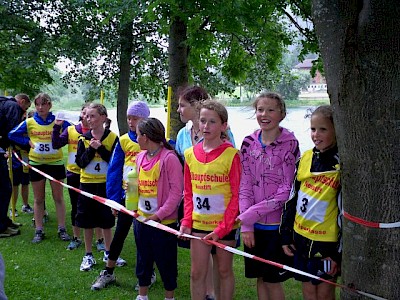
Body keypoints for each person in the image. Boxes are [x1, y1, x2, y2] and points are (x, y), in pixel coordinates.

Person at [237, 92, 300, 300]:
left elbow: (286, 191)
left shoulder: (290, 145)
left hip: (277, 227)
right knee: (261, 278)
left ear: (281, 114)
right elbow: (244, 183)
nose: (264, 114)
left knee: (273, 280)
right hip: (253, 228)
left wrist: (249, 215)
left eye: (270, 110)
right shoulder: (247, 143)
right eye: (260, 109)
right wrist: (247, 225)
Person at [175, 85, 236, 300]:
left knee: (223, 271)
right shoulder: (190, 154)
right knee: (196, 273)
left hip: (224, 226)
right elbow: (189, 193)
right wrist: (186, 221)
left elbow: (236, 196)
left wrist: (223, 228)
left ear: (223, 125)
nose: (206, 126)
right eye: (203, 121)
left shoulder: (232, 155)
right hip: (199, 224)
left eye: (212, 121)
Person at [91, 100, 156, 290]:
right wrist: (113, 200)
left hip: (148, 199)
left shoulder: (155, 141)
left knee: (143, 237)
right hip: (127, 196)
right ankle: (108, 272)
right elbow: (114, 170)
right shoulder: (124, 140)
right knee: (119, 234)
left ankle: (148, 273)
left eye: (135, 118)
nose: (130, 121)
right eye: (129, 118)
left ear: (145, 119)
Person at [280, 105, 341, 300]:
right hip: (301, 239)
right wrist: (286, 235)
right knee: (307, 291)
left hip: (327, 243)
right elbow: (293, 198)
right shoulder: (305, 158)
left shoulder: (341, 163)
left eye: (323, 129)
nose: (316, 134)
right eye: (313, 129)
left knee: (324, 292)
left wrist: (338, 253)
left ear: (336, 130)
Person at [8, 93, 71, 243]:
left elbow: (73, 132)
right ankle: (39, 229)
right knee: (38, 199)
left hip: (55, 163)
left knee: (58, 197)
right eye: (37, 105)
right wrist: (27, 141)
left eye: (44, 104)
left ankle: (62, 229)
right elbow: (12, 134)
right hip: (36, 164)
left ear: (50, 105)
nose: (40, 107)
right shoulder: (29, 122)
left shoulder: (58, 121)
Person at [134, 117, 183, 300]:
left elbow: (176, 193)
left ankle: (169, 297)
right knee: (143, 259)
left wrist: (158, 216)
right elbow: (136, 185)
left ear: (145, 137)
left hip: (164, 223)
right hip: (141, 219)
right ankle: (142, 295)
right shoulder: (140, 157)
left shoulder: (169, 158)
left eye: (138, 135)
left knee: (166, 262)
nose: (136, 139)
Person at [52, 103, 106, 251]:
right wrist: (57, 127)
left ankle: (100, 239)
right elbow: (56, 144)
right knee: (77, 207)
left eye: (90, 114)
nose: (87, 117)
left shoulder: (100, 132)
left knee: (98, 207)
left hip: (95, 177)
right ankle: (76, 237)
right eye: (84, 113)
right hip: (74, 174)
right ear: (81, 114)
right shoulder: (71, 130)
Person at [75, 103, 118, 271]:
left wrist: (101, 148)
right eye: (87, 116)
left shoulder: (113, 138)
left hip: (105, 185)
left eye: (93, 116)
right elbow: (81, 163)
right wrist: (91, 151)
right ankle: (88, 254)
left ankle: (109, 251)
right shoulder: (83, 139)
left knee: (106, 220)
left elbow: (115, 162)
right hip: (87, 184)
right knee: (87, 220)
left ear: (103, 118)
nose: (89, 119)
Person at [0, 93, 30, 238]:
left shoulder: (5, 104)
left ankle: (4, 221)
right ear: (22, 102)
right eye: (26, 108)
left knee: (6, 187)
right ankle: (1, 227)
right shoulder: (13, 107)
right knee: (5, 188)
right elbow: (12, 132)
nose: (24, 112)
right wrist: (27, 145)